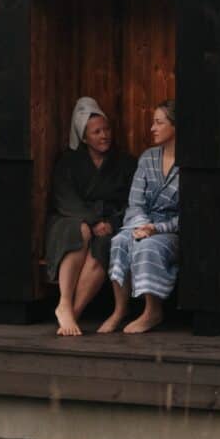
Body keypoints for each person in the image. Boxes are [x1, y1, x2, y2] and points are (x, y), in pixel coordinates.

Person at [43, 97, 131, 336]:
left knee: (104, 247)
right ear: (83, 137)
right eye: (97, 132)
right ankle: (63, 301)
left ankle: (74, 311)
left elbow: (130, 202)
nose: (104, 136)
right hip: (71, 218)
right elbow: (64, 198)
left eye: (107, 129)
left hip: (109, 223)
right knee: (78, 231)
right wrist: (92, 221)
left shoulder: (124, 163)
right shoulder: (68, 162)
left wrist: (111, 223)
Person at [101, 101, 180, 335]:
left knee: (148, 246)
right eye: (152, 122)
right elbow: (135, 203)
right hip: (142, 222)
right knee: (120, 241)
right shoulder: (147, 158)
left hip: (171, 231)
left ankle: (152, 311)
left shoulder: (189, 164)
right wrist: (141, 226)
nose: (152, 128)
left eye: (159, 122)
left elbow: (190, 215)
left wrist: (156, 228)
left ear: (176, 126)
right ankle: (120, 309)